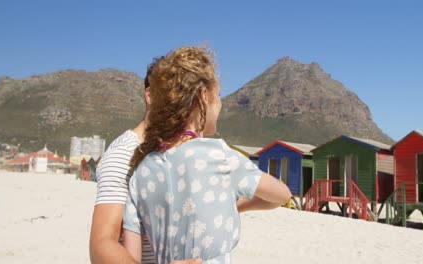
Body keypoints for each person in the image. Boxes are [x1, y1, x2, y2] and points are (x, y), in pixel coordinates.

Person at [122, 46, 292, 263]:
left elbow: (130, 257)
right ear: (203, 97)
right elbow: (282, 195)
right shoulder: (220, 156)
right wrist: (241, 205)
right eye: (218, 96)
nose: (220, 104)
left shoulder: (141, 172)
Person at [89, 58, 201, 264]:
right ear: (150, 95)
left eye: (183, 95)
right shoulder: (124, 153)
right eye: (171, 93)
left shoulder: (181, 151)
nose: (178, 102)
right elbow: (101, 246)